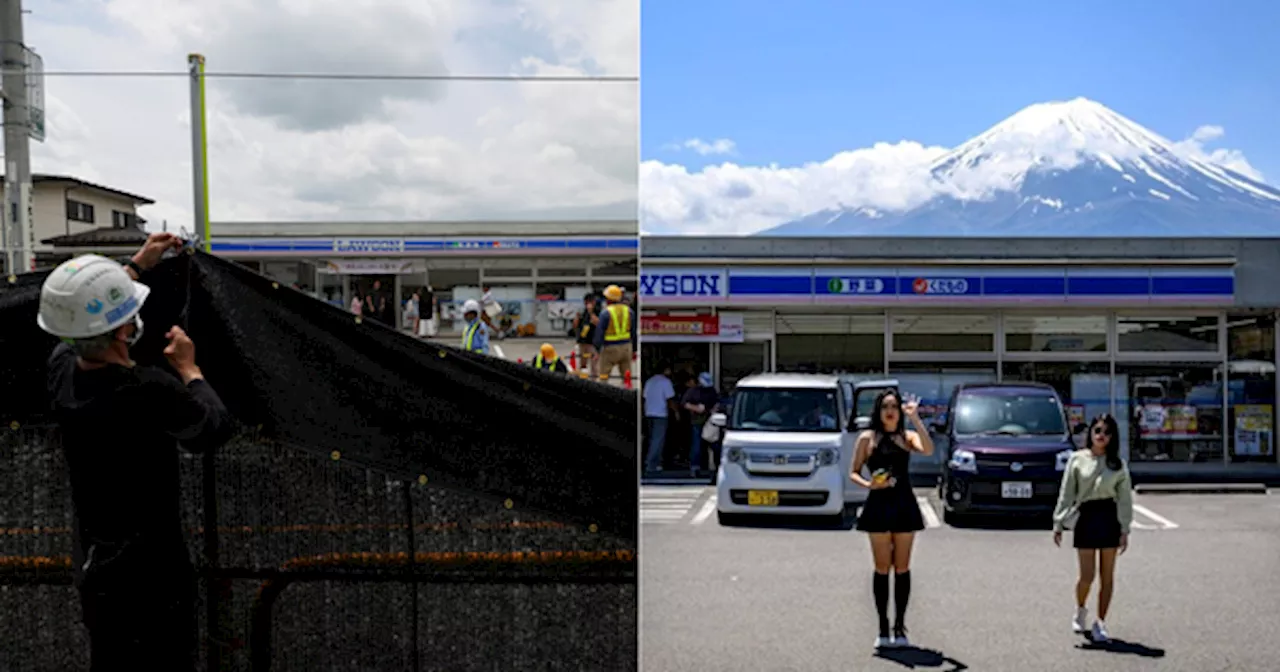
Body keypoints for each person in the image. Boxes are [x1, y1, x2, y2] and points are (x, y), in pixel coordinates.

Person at [37, 235, 234, 671]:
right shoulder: (148, 389)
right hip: (156, 578)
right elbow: (211, 429)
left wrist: (134, 267)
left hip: (97, 572)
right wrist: (190, 370)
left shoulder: (61, 375)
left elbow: (79, 323)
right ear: (125, 330)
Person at [849, 389, 933, 649]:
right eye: (885, 406)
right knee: (882, 567)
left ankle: (900, 627)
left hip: (904, 503)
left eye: (894, 406)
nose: (890, 410)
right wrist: (868, 484)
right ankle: (883, 628)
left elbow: (928, 450)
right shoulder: (867, 438)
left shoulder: (906, 437)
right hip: (878, 503)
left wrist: (916, 418)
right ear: (878, 410)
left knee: (903, 567)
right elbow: (853, 471)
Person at [1053, 413, 1133, 643]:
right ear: (1090, 432)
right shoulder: (1077, 459)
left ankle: (1101, 622)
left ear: (1113, 437)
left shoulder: (1118, 464)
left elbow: (1125, 499)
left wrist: (1124, 529)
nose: (1101, 436)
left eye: (1107, 432)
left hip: (1109, 517)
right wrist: (1058, 522)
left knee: (1107, 576)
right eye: (1097, 430)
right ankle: (1080, 610)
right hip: (1086, 517)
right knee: (1087, 575)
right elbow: (1066, 493)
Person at [592, 285, 635, 385]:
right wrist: (635, 350)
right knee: (627, 377)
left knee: (603, 377)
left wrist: (597, 350)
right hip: (626, 347)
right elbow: (633, 332)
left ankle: (602, 397)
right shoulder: (629, 311)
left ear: (608, 299)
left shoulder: (605, 313)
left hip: (609, 349)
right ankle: (629, 396)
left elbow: (600, 333)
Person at [682, 372, 720, 477]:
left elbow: (717, 402)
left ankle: (717, 466)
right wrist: (696, 408)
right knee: (697, 445)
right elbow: (685, 403)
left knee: (714, 444)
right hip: (697, 421)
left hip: (710, 422)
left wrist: (714, 409)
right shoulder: (693, 391)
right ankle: (695, 467)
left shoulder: (712, 391)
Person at [642, 362, 677, 474]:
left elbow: (644, 397)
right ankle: (651, 463)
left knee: (652, 438)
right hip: (660, 414)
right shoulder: (666, 382)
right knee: (658, 440)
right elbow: (670, 399)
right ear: (665, 370)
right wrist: (676, 412)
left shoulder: (649, 381)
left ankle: (655, 462)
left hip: (649, 412)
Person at [573, 294, 600, 378]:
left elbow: (597, 323)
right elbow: (575, 326)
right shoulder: (583, 312)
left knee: (594, 365)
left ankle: (594, 382)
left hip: (592, 343)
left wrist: (591, 311)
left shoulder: (598, 311)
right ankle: (582, 379)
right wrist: (576, 318)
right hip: (582, 342)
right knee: (582, 364)